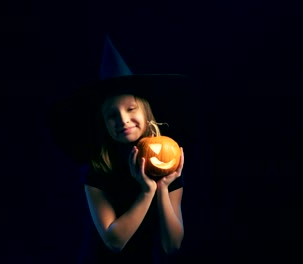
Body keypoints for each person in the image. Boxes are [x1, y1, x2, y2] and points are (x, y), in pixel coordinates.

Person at [50, 35, 195, 263]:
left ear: (146, 114)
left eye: (131, 109)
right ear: (104, 125)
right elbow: (114, 242)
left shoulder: (168, 163)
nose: (123, 119)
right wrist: (147, 192)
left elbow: (172, 245)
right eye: (112, 115)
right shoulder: (96, 168)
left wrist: (162, 189)